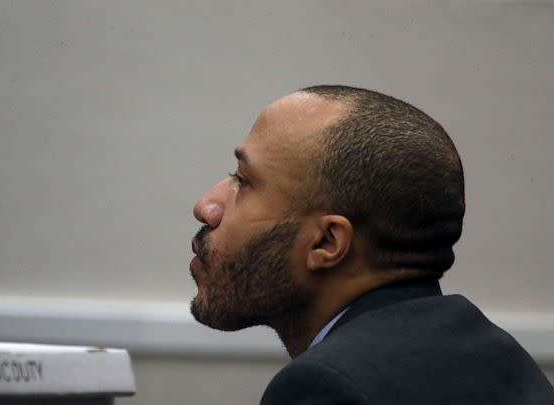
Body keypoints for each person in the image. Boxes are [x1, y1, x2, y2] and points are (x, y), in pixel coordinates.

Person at [189, 85, 554, 404]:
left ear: (327, 242)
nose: (206, 206)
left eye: (243, 181)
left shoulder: (331, 387)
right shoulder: (499, 359)